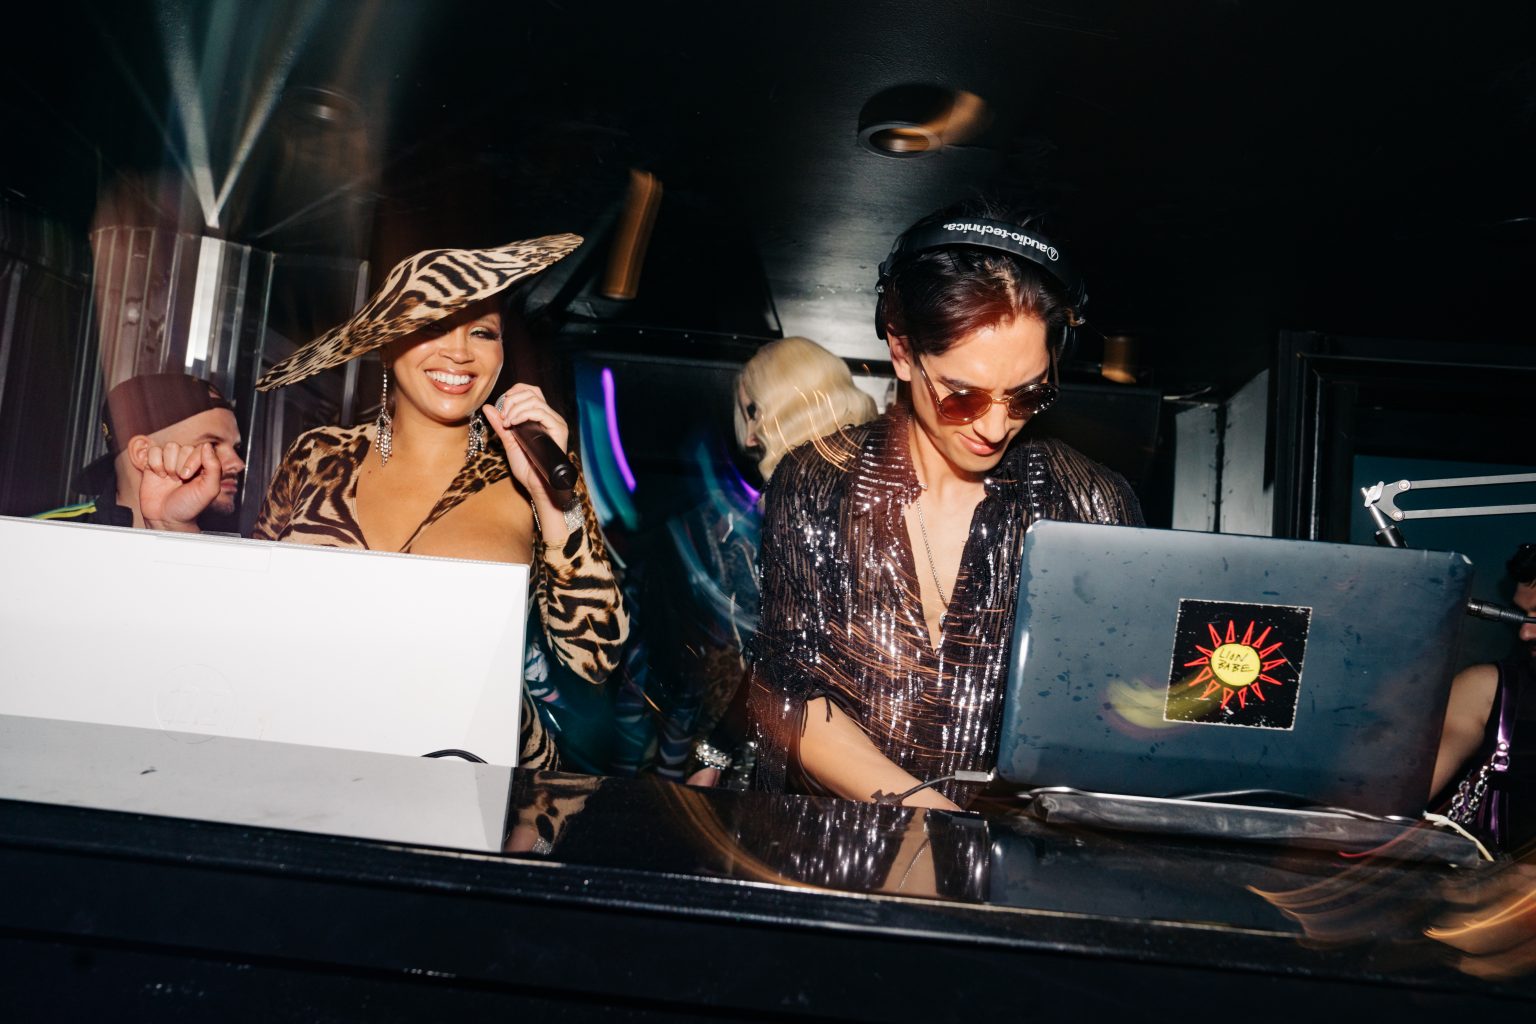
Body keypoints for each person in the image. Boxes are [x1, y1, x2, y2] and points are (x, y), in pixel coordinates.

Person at [153, 234, 629, 771]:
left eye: (483, 331)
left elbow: (595, 658)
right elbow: (246, 623)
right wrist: (174, 528)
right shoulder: (316, 455)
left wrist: (554, 502)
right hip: (308, 766)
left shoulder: (529, 473)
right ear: (384, 343)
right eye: (432, 325)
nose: (460, 351)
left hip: (477, 783)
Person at [747, 201, 1144, 811]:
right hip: (836, 844)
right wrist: (936, 821)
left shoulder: (1090, 503)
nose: (995, 426)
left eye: (1026, 396)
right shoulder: (817, 482)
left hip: (1013, 854)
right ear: (902, 353)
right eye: (962, 396)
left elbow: (1106, 716)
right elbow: (787, 689)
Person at [657, 336, 879, 784]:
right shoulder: (875, 476)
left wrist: (715, 754)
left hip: (822, 752)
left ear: (788, 403)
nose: (750, 437)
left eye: (754, 411)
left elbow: (788, 650)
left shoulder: (804, 497)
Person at [35, 373, 245, 531]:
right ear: (144, 453)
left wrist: (179, 530)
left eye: (235, 448)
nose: (239, 464)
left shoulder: (228, 550)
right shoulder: (47, 537)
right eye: (212, 445)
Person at [1433, 543, 1536, 851]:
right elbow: (1399, 798)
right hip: (1487, 877)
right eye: (1524, 615)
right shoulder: (1487, 690)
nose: (1526, 633)